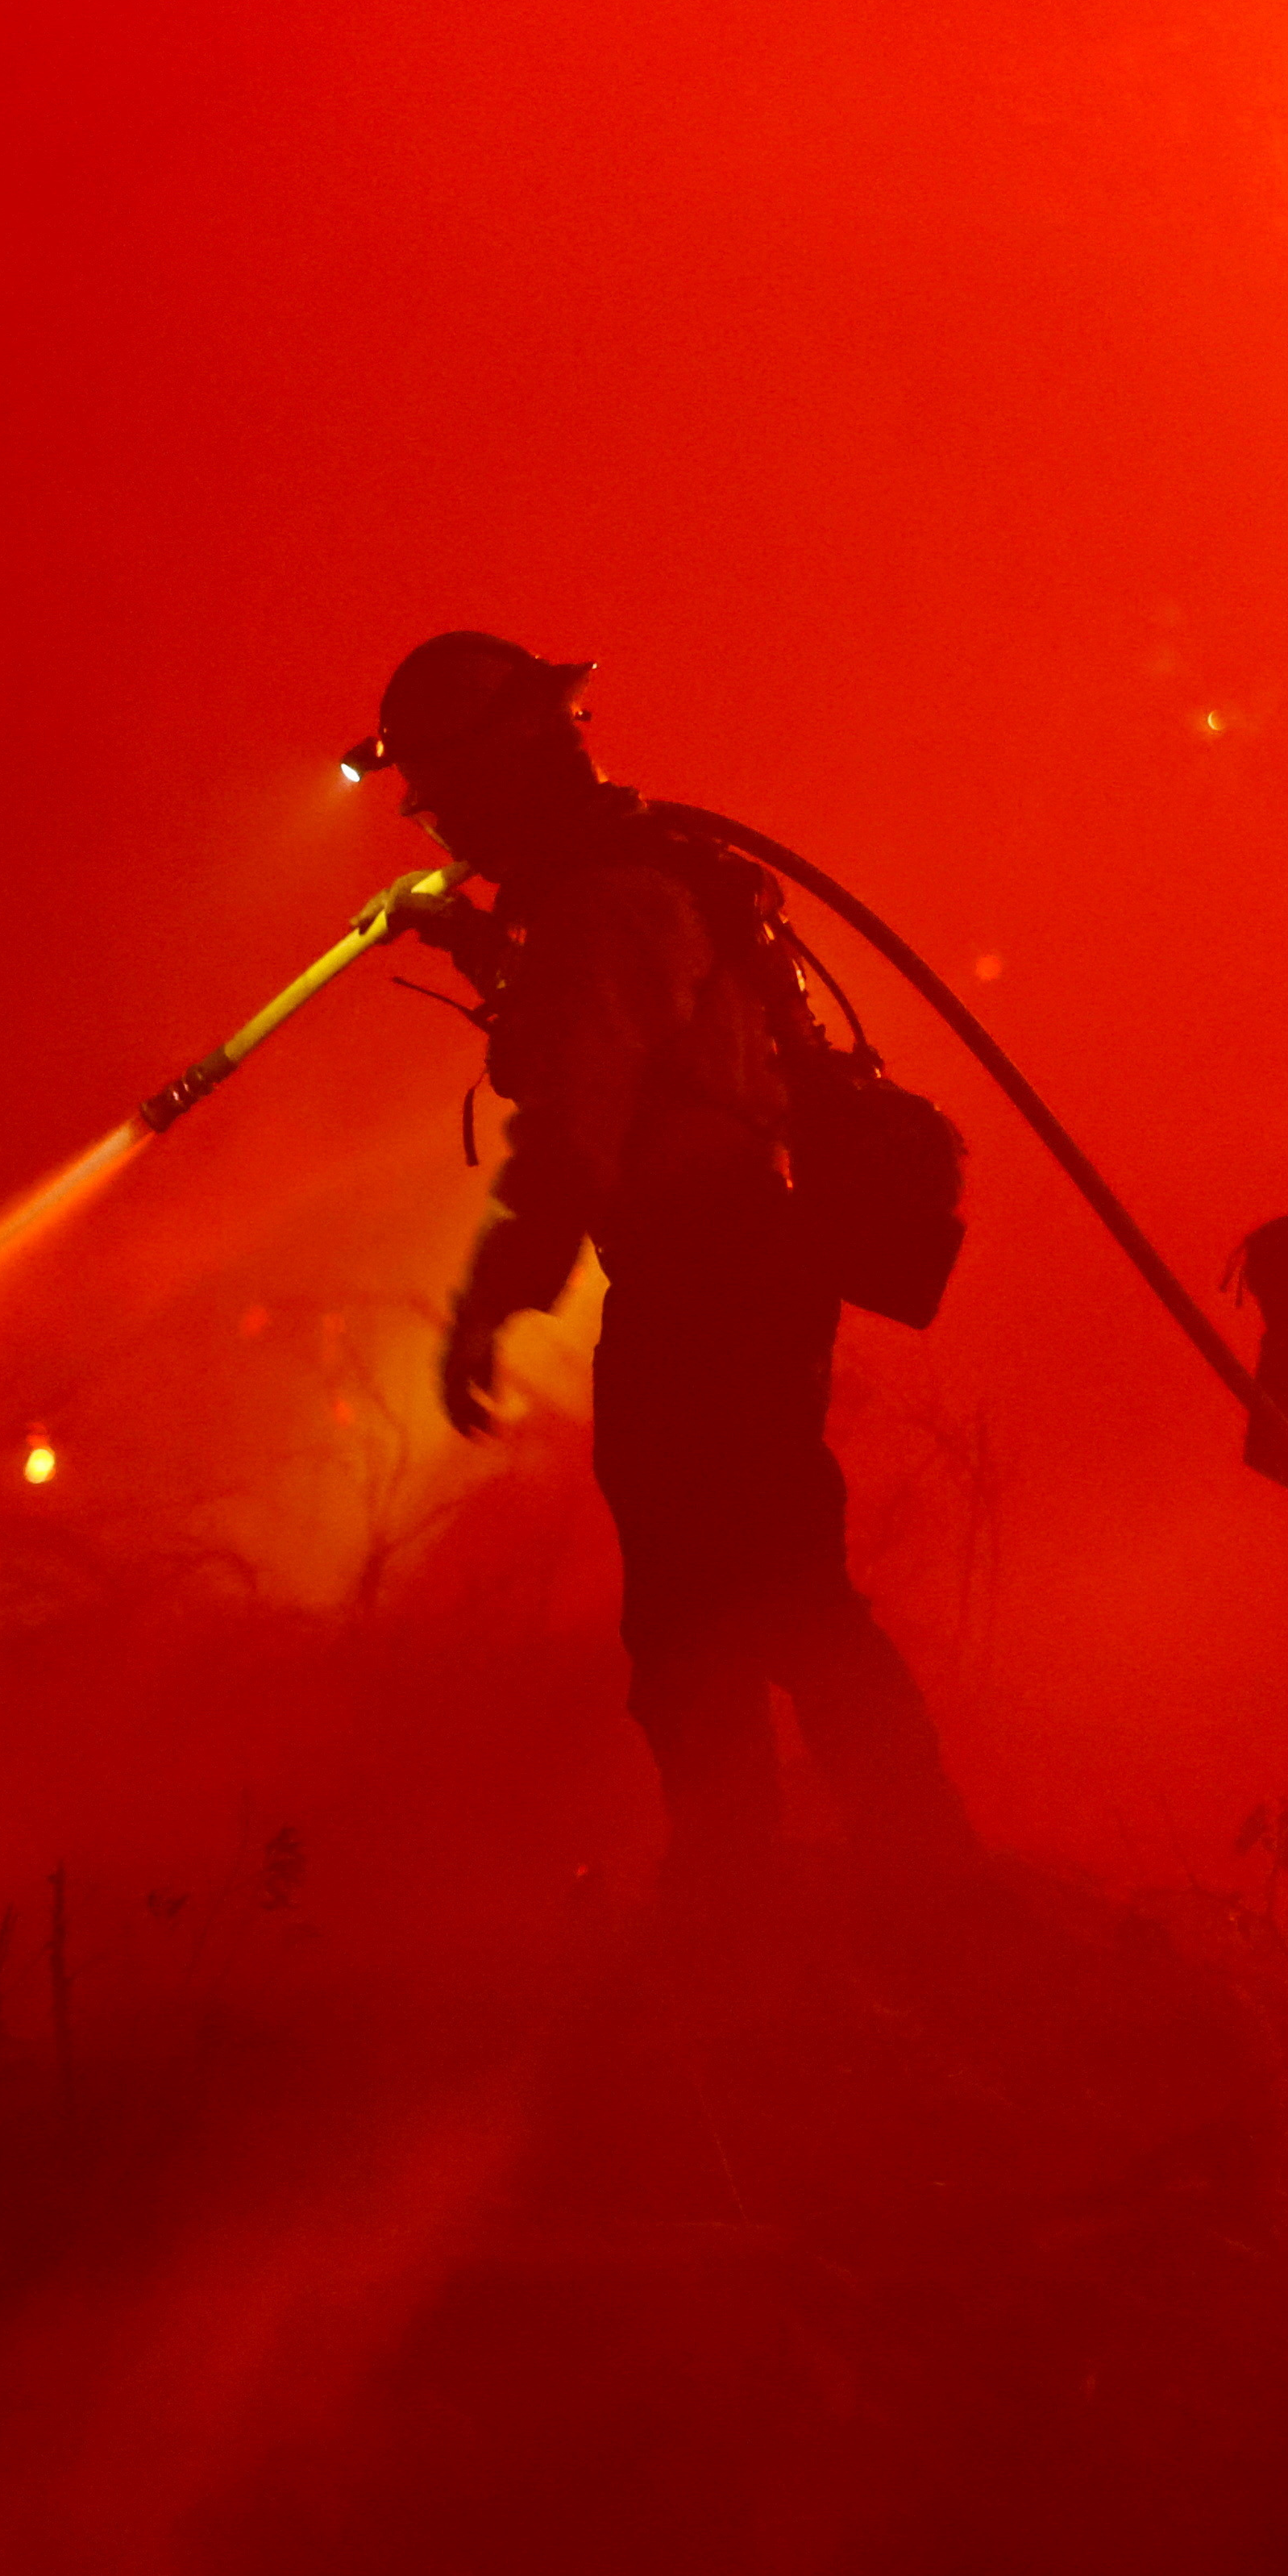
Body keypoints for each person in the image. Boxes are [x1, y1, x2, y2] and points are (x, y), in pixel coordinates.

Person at [347, 631, 975, 1903]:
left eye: (452, 792)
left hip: (707, 1276)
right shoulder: (624, 888)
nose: (446, 823)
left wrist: (487, 1308)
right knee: (728, 1600)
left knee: (740, 1607)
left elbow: (579, 1123)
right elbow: (621, 1032)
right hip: (733, 1265)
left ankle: (832, 1887)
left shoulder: (605, 901)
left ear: (509, 765)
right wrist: (467, 940)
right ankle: (813, 1884)